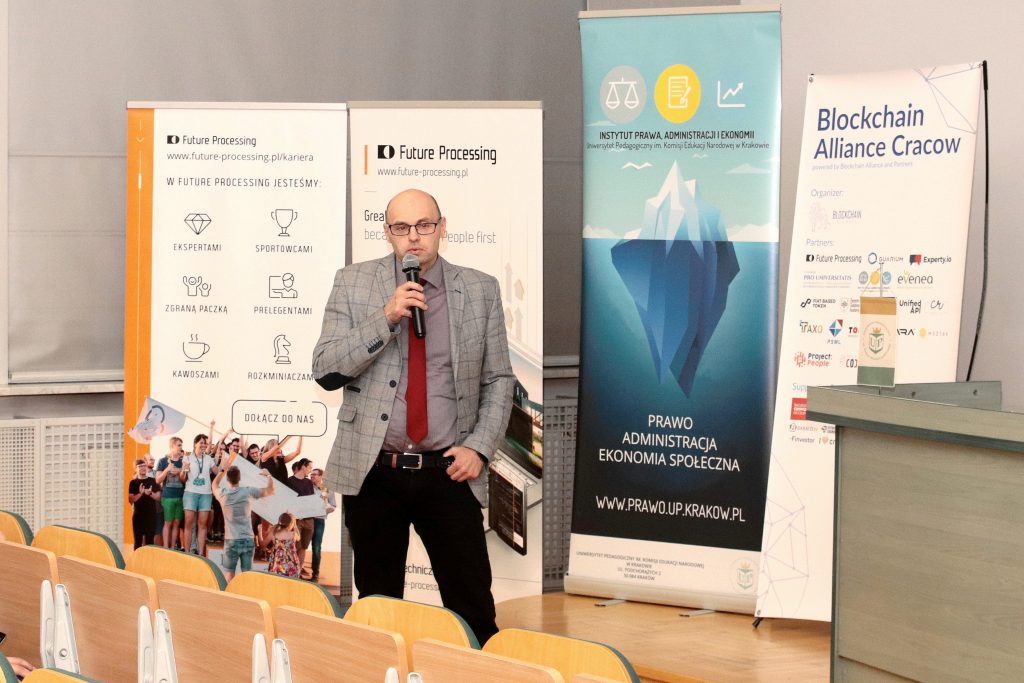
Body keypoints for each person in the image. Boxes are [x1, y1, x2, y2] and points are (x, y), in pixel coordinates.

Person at [312, 188, 514, 644]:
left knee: (473, 612)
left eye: (424, 225)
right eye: (402, 228)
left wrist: (480, 448)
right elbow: (325, 369)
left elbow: (499, 379)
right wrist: (386, 316)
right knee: (379, 611)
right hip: (375, 473)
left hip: (449, 473)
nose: (414, 237)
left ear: (442, 228)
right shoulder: (353, 283)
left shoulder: (479, 289)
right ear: (387, 233)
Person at [212, 462, 274, 581]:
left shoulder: (223, 494)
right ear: (240, 478)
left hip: (231, 539)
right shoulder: (248, 491)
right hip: (247, 539)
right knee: (247, 575)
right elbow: (270, 490)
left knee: (229, 574)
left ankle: (228, 593)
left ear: (227, 479)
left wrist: (222, 470)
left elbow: (214, 485)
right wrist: (269, 475)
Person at [182, 430, 219, 555]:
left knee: (202, 525)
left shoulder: (209, 458)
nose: (204, 445)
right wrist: (184, 470)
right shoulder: (187, 458)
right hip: (190, 493)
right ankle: (187, 552)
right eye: (201, 443)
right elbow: (182, 478)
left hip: (206, 494)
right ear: (195, 444)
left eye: (205, 443)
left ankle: (201, 553)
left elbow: (217, 472)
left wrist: (226, 466)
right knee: (189, 524)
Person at [285, 457, 316, 577]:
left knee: (304, 547)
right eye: (309, 467)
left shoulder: (309, 483)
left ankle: (298, 572)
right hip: (296, 520)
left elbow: (311, 500)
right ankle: (292, 572)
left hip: (309, 520)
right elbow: (287, 501)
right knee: (294, 547)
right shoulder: (289, 481)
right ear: (303, 466)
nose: (310, 470)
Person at [155, 437, 187, 549]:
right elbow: (158, 480)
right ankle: (165, 547)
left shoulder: (184, 461)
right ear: (172, 446)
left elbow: (185, 480)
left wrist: (179, 472)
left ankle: (173, 547)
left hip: (180, 496)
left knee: (177, 523)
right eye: (179, 445)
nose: (181, 447)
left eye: (181, 445)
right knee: (168, 523)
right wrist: (167, 470)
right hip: (167, 497)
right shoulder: (162, 461)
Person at [309, 467, 337, 583]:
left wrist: (325, 511)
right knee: (302, 546)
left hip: (319, 520)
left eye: (314, 474)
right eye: (311, 474)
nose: (312, 476)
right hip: (307, 519)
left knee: (316, 547)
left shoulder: (327, 489)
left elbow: (333, 506)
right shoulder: (307, 486)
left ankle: (315, 573)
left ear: (321, 476)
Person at [127, 458, 162, 549]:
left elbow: (158, 497)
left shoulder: (153, 481)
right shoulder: (133, 483)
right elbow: (131, 500)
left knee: (150, 542)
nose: (143, 468)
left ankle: (149, 558)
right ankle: (137, 558)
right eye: (140, 466)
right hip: (138, 516)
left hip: (151, 515)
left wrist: (150, 493)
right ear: (135, 469)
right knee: (137, 542)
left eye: (144, 466)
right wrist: (141, 493)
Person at [266, 512, 300, 578]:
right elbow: (299, 537)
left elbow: (262, 545)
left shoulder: (274, 534)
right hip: (292, 565)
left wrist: (259, 532)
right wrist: (295, 526)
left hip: (277, 564)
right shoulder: (294, 535)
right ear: (291, 524)